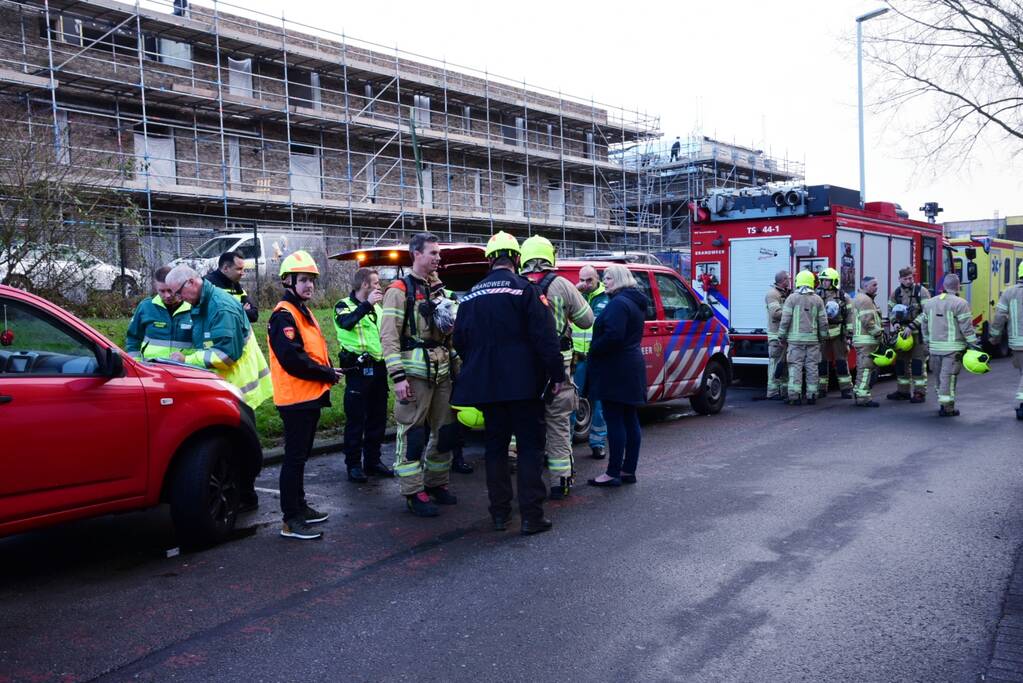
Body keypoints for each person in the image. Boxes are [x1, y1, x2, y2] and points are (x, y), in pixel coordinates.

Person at [452, 232, 564, 535]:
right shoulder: (527, 290)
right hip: (525, 386)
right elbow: (546, 338)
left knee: (495, 450)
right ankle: (532, 516)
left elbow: (460, 341)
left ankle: (499, 514)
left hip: (487, 388)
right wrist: (556, 375)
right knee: (529, 449)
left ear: (490, 260)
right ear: (516, 259)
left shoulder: (471, 296)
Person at [165, 264, 273, 511]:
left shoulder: (220, 307)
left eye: (179, 292)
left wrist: (187, 360)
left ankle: (246, 497)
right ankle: (240, 496)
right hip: (225, 389)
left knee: (241, 449)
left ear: (192, 283)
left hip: (239, 388)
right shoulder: (201, 303)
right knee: (231, 448)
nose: (177, 299)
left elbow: (226, 355)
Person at [380, 232, 458, 517]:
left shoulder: (438, 290)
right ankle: (413, 492)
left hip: (441, 372)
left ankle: (437, 484)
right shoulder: (398, 291)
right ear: (416, 254)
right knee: (413, 434)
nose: (438, 257)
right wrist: (398, 377)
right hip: (413, 376)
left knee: (446, 432)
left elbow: (449, 334)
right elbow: (388, 337)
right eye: (433, 253)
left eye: (439, 253)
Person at [267, 251, 342, 540]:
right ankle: (290, 519)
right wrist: (326, 374)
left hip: (307, 396)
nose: (309, 285)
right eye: (303, 280)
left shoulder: (301, 310)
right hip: (296, 399)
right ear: (288, 281)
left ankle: (300, 508)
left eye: (311, 280)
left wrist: (328, 370)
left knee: (300, 457)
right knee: (294, 459)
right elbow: (293, 360)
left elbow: (309, 352)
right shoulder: (284, 314)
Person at [520, 235, 594, 500]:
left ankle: (522, 477)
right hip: (559, 368)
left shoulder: (517, 285)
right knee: (559, 424)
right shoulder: (561, 284)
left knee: (524, 424)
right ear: (549, 257)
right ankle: (560, 482)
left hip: (524, 367)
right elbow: (587, 321)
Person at [587, 264, 648, 487]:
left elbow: (613, 336)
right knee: (630, 419)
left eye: (609, 278)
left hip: (616, 368)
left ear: (621, 279)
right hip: (631, 366)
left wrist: (594, 348)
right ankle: (628, 470)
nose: (605, 282)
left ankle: (612, 472)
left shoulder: (618, 304)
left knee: (615, 421)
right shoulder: (634, 301)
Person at [333, 268, 393, 483]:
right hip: (358, 371)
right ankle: (354, 465)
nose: (379, 287)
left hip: (377, 368)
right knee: (356, 420)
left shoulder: (377, 309)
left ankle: (373, 461)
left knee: (378, 418)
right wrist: (367, 305)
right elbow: (346, 323)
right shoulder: (342, 305)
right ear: (365, 285)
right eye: (376, 283)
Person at [908, 273, 981, 417]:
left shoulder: (930, 303)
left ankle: (942, 402)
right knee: (949, 378)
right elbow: (966, 328)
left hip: (934, 349)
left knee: (939, 378)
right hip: (953, 349)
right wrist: (974, 345)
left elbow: (924, 325)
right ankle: (947, 408)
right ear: (958, 286)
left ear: (944, 286)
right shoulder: (961, 303)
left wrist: (928, 342)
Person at [571, 264, 610, 459]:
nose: (586, 284)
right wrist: (575, 291)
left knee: (599, 405)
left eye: (589, 280)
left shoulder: (607, 298)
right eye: (582, 280)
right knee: (570, 402)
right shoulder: (575, 296)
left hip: (598, 359)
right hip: (578, 358)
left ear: (597, 279)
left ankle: (597, 443)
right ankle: (565, 444)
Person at [778, 270, 828, 405]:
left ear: (798, 281)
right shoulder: (818, 299)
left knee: (795, 367)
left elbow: (785, 320)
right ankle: (812, 395)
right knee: (812, 367)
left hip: (795, 341)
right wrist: (823, 337)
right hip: (813, 341)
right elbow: (823, 321)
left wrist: (781, 336)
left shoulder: (791, 298)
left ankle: (795, 396)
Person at [125, 265, 193, 360]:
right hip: (151, 369)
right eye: (162, 291)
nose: (167, 295)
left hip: (184, 369)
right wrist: (136, 364)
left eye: (170, 290)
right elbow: (133, 339)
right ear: (155, 288)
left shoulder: (193, 308)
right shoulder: (145, 307)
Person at [887, 266, 930, 402]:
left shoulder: (921, 291)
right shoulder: (896, 293)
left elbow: (926, 312)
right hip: (902, 334)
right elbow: (890, 310)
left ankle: (919, 393)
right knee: (901, 364)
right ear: (900, 279)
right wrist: (895, 322)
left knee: (918, 364)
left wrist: (912, 325)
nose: (908, 281)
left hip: (918, 334)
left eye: (910, 278)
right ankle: (903, 391)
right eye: (905, 278)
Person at [990, 261, 1023, 419]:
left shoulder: (1009, 293)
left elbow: (999, 317)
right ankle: (1021, 405)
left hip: (1017, 344)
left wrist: (994, 337)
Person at [816, 267, 854, 399]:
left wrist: (849, 333)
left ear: (834, 281)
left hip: (839, 332)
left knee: (841, 362)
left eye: (827, 280)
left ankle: (846, 389)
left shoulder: (843, 296)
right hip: (822, 333)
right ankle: (821, 388)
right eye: (823, 280)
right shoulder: (817, 295)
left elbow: (850, 315)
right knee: (821, 362)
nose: (824, 283)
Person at [851, 276, 884, 407]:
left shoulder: (862, 298)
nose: (877, 287)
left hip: (862, 340)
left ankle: (859, 392)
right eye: (874, 285)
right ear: (865, 286)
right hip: (867, 341)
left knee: (863, 368)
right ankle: (863, 397)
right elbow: (868, 321)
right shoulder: (865, 300)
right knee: (865, 369)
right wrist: (879, 333)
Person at [206, 250, 258, 323]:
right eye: (239, 269)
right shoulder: (207, 284)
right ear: (225, 268)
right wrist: (242, 311)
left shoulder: (236, 285)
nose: (242, 273)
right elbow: (213, 315)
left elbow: (254, 315)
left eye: (243, 269)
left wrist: (234, 313)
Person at [764, 270, 791, 400]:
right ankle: (773, 391)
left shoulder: (786, 293)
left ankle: (783, 391)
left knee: (785, 364)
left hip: (785, 335)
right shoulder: (772, 294)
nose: (789, 281)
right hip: (775, 335)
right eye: (788, 279)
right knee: (775, 363)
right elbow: (775, 313)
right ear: (782, 280)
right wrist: (791, 312)